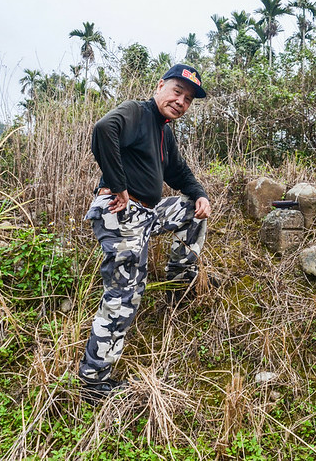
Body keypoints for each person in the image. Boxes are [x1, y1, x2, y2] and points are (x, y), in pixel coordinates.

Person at [78, 64, 211, 401]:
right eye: (177, 92)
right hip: (120, 211)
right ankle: (93, 381)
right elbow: (103, 129)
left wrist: (200, 195)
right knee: (124, 295)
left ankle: (179, 282)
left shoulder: (164, 131)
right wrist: (118, 185)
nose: (181, 101)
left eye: (188, 99)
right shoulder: (137, 112)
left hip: (146, 213)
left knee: (192, 211)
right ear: (160, 86)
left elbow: (179, 172)